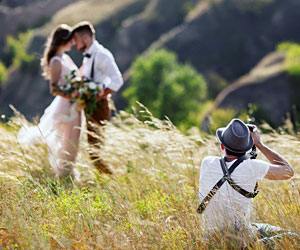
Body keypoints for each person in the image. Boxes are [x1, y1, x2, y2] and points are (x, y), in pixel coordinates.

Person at [198, 119, 295, 246]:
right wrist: (259, 144)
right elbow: (288, 171)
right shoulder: (252, 166)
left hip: (211, 240)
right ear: (248, 147)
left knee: (255, 227)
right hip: (241, 242)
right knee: (293, 237)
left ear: (222, 146)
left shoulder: (206, 162)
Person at [18, 24, 83, 179]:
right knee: (66, 138)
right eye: (71, 40)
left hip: (76, 103)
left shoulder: (65, 58)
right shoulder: (55, 62)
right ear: (63, 40)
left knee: (75, 137)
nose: (73, 43)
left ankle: (67, 172)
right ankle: (64, 173)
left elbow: (77, 78)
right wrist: (72, 95)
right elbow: (54, 89)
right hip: (66, 104)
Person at [72, 21, 123, 174]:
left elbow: (117, 80)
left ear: (86, 37)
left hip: (99, 107)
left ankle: (112, 180)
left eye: (76, 39)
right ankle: (106, 179)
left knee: (95, 151)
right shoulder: (88, 56)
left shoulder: (102, 55)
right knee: (93, 148)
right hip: (89, 107)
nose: (74, 43)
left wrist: (100, 95)